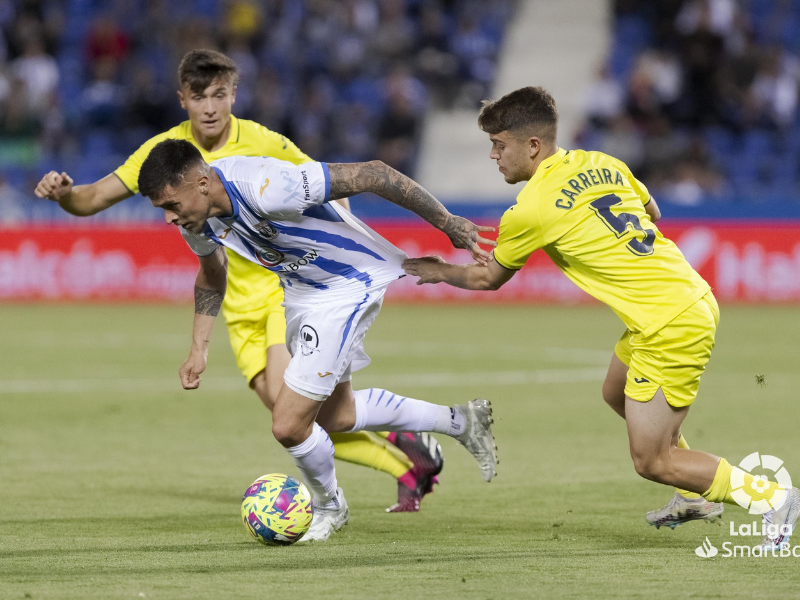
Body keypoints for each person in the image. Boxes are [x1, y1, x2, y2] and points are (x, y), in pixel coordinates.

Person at [33, 49, 442, 513]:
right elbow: (90, 201)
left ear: (233, 95)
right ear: (182, 99)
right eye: (199, 96)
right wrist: (65, 195)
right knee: (290, 411)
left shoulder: (264, 142)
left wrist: (335, 261)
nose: (210, 107)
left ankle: (403, 466)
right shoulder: (164, 155)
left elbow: (330, 189)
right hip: (235, 302)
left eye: (219, 95)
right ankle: (409, 450)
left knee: (293, 412)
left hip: (280, 290)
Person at [402, 86, 800, 550]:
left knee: (652, 459)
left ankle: (774, 497)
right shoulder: (602, 162)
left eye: (499, 143)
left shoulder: (529, 209)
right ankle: (696, 494)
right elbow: (650, 212)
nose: (493, 154)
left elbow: (488, 278)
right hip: (682, 297)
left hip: (668, 322)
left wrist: (440, 271)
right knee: (616, 391)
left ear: (533, 146)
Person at [137, 139, 499, 542]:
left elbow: (375, 173)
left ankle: (330, 507)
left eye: (171, 205)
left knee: (289, 424)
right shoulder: (197, 218)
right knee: (335, 417)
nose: (169, 218)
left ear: (201, 183)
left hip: (347, 285)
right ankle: (461, 421)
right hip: (301, 294)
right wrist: (198, 348)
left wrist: (448, 223)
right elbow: (212, 271)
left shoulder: (267, 186)